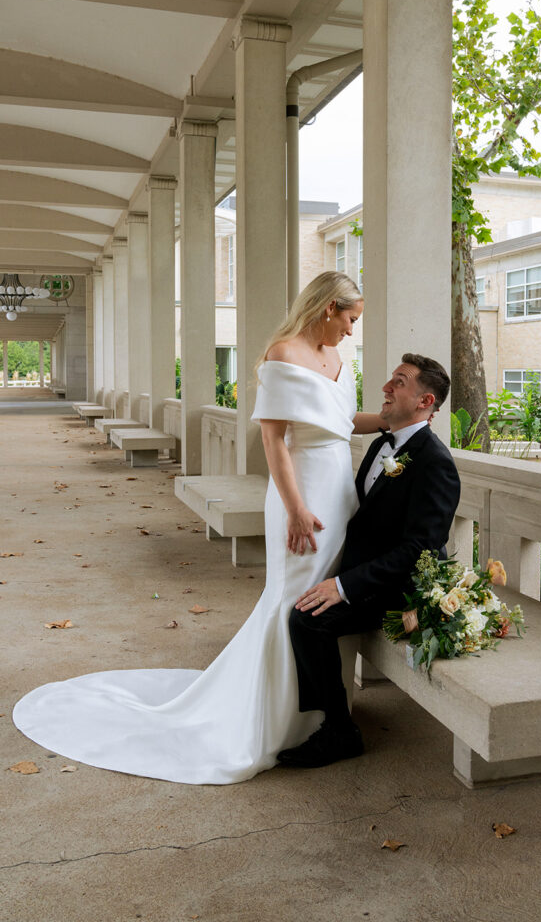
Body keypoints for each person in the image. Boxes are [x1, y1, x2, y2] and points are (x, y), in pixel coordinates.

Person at [13, 271, 383, 785]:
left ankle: (322, 713)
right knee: (293, 598)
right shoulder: (282, 355)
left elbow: (342, 424)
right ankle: (279, 720)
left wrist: (392, 421)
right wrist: (296, 508)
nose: (351, 331)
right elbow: (274, 442)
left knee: (323, 600)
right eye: (349, 319)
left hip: (339, 489)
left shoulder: (340, 360)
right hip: (302, 494)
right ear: (327, 308)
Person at [277, 354, 461, 769]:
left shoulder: (435, 463)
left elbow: (421, 551)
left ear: (424, 400)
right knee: (301, 604)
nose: (386, 387)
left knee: (307, 619)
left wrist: (342, 586)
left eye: (399, 381)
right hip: (369, 572)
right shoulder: (381, 443)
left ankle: (338, 731)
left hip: (401, 590)